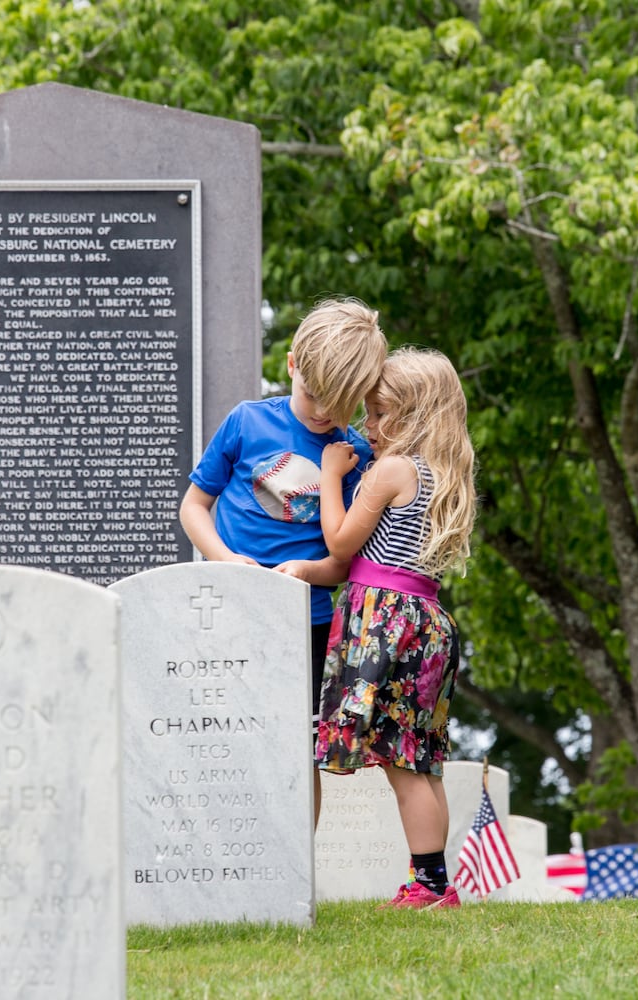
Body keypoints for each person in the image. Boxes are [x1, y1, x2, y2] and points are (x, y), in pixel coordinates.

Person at [179, 297, 387, 827]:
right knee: (217, 737)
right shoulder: (247, 422)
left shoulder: (355, 454)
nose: (322, 413)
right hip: (226, 608)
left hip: (306, 621)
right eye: (314, 395)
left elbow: (344, 560)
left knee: (296, 744)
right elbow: (194, 507)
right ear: (292, 364)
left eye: (338, 405)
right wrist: (226, 561)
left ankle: (293, 873)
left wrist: (306, 573)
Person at [314, 345, 476, 909]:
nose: (368, 426)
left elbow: (340, 542)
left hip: (387, 620)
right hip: (426, 619)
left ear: (417, 415)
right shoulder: (443, 475)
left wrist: (331, 476)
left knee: (404, 766)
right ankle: (430, 879)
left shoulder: (392, 470)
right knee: (421, 760)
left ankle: (430, 887)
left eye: (380, 413)